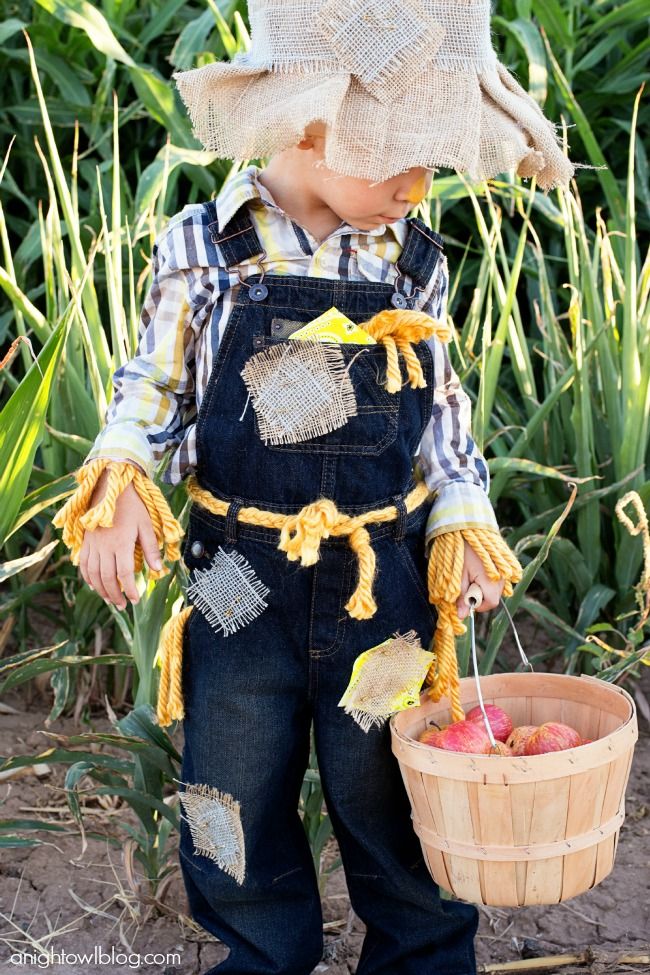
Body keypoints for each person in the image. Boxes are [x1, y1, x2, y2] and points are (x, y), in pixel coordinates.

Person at [53, 1, 575, 972]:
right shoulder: (202, 248)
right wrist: (122, 478)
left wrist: (459, 527)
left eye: (432, 158)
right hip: (233, 578)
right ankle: (256, 954)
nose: (420, 185)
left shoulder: (409, 265)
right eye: (400, 155)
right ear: (308, 124)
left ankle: (421, 954)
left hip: (379, 581)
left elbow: (441, 416)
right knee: (228, 787)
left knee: (389, 792)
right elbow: (153, 386)